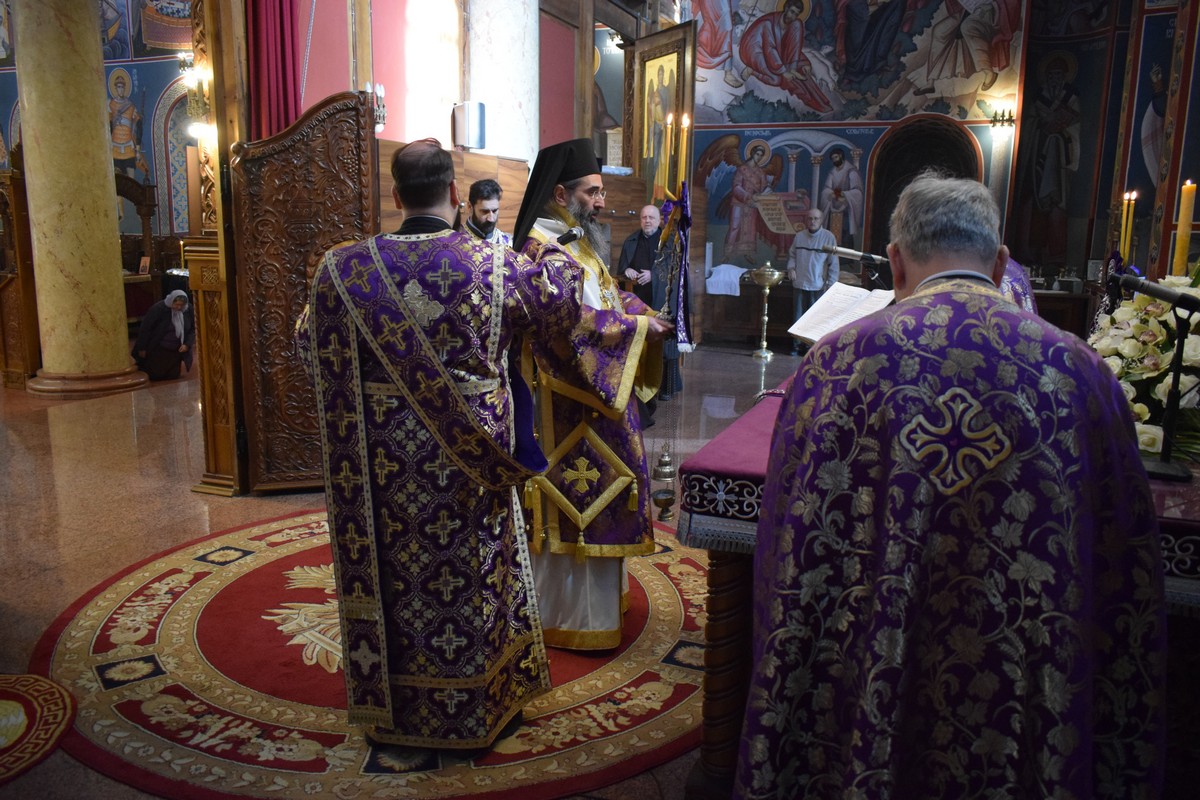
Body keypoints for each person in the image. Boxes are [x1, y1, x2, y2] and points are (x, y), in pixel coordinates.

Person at [735, 173, 1166, 799]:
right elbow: (1125, 553)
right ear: (1000, 262)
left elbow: (790, 539)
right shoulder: (1077, 368)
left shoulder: (835, 361)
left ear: (895, 261)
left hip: (873, 662)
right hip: (1025, 679)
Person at [296, 139, 585, 752]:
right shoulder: (493, 264)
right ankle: (482, 703)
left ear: (395, 195)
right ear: (455, 193)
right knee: (474, 569)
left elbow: (307, 348)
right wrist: (552, 251)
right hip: (470, 454)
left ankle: (399, 708)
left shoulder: (342, 268)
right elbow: (559, 312)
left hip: (382, 460)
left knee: (398, 569)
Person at [513, 137, 673, 651]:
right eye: (593, 192)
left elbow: (606, 293)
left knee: (607, 493)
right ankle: (572, 617)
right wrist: (636, 330)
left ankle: (600, 606)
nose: (602, 201)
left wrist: (642, 312)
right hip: (568, 402)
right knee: (581, 501)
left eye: (602, 192)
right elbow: (569, 328)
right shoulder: (540, 250)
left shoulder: (576, 241)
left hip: (595, 396)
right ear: (561, 194)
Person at [617, 204, 682, 403]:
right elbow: (622, 267)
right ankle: (639, 386)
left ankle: (667, 387)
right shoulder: (631, 240)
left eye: (651, 218)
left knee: (665, 343)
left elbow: (675, 271)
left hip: (663, 299)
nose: (647, 221)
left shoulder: (670, 242)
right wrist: (627, 270)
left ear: (659, 220)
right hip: (638, 299)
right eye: (644, 217)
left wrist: (654, 275)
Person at [738, 0, 831, 113]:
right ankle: (751, 70)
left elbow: (792, 46)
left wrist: (802, 63)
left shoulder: (793, 23)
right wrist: (783, 71)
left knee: (797, 25)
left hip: (773, 51)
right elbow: (770, 49)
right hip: (755, 52)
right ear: (786, 8)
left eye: (796, 14)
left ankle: (820, 101)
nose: (793, 16)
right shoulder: (769, 24)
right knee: (777, 79)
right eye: (792, 12)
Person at [785, 208, 838, 355]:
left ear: (821, 220)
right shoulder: (799, 237)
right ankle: (796, 346)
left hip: (818, 285)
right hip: (800, 283)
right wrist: (791, 268)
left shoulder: (828, 237)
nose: (812, 221)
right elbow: (792, 255)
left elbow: (833, 263)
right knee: (798, 317)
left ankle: (811, 347)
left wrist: (831, 285)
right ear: (806, 220)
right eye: (810, 218)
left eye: (816, 218)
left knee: (815, 318)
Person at [132, 289, 194, 380]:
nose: (179, 308)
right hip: (159, 348)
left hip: (176, 351)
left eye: (181, 305)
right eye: (176, 304)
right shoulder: (158, 309)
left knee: (173, 376)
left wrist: (187, 344)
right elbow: (146, 329)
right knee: (155, 375)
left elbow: (192, 329)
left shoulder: (188, 310)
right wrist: (142, 348)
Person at [818, 147, 863, 246]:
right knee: (831, 235)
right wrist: (830, 194)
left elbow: (857, 192)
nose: (834, 160)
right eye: (833, 158)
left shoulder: (851, 171)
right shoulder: (832, 172)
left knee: (845, 237)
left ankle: (845, 254)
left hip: (846, 209)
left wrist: (844, 194)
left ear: (841, 156)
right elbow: (826, 189)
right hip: (833, 208)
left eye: (836, 157)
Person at [462, 178, 513, 247]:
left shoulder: (508, 243)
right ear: (470, 207)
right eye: (485, 211)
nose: (491, 219)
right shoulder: (454, 241)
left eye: (494, 211)